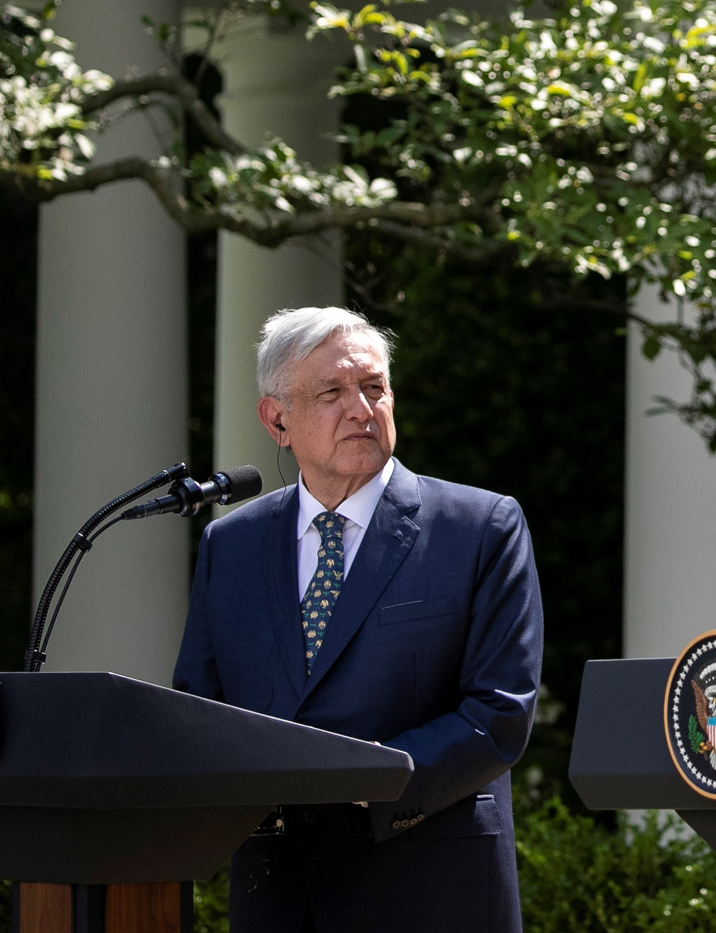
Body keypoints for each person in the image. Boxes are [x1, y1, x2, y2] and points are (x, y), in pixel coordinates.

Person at [174, 307, 543, 932]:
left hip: (430, 890)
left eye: (374, 388)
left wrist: (364, 780)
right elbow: (199, 711)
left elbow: (499, 714)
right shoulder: (230, 546)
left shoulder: (479, 529)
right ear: (277, 420)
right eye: (331, 393)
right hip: (281, 895)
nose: (360, 409)